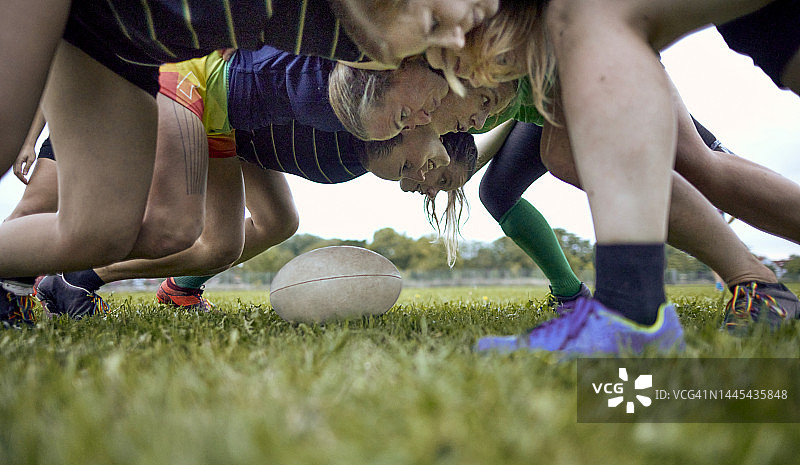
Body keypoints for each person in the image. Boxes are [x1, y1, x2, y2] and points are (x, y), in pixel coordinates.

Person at [0, 0, 497, 326]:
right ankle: (34, 279)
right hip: (188, 79)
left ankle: (55, 278)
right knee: (164, 226)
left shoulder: (367, 70)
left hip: (171, 83)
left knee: (144, 235)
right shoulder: (359, 57)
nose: (455, 38)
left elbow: (454, 125)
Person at [424, 0, 800, 354]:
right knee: (570, 153)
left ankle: (711, 290)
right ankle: (732, 287)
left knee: (695, 163)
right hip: (569, 48)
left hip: (584, 44)